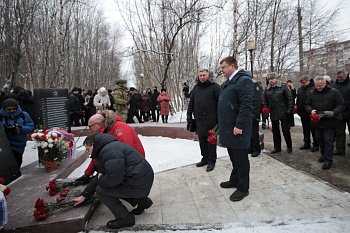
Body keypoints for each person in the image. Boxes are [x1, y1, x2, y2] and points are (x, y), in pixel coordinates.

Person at [73, 133, 154, 229]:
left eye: (88, 149)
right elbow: (100, 175)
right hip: (139, 180)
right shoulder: (107, 149)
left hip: (138, 182)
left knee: (102, 190)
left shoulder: (110, 151)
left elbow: (113, 179)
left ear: (94, 144)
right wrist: (84, 195)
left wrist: (101, 178)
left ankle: (125, 219)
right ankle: (143, 201)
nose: (88, 153)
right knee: (111, 186)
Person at [217, 56, 253, 202]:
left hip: (237, 129)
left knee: (241, 159)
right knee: (234, 157)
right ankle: (235, 180)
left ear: (232, 66)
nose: (222, 71)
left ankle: (243, 188)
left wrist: (239, 125)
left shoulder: (243, 80)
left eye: (223, 67)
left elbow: (246, 105)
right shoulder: (229, 82)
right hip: (228, 128)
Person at [76, 110, 145, 184]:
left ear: (98, 124)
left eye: (90, 127)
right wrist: (88, 173)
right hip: (121, 164)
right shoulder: (103, 131)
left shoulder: (120, 128)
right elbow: (97, 155)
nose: (90, 130)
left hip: (134, 169)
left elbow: (126, 154)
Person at [305, 76, 344, 169]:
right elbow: (307, 104)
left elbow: (341, 104)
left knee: (328, 141)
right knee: (320, 140)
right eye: (316, 85)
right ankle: (323, 155)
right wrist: (311, 110)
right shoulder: (311, 93)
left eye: (320, 85)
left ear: (325, 83)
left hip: (330, 121)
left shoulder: (334, 92)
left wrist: (334, 112)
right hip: (317, 121)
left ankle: (328, 160)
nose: (318, 87)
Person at [187, 69, 220, 172]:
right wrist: (189, 115)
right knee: (202, 141)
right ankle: (204, 159)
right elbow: (191, 102)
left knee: (211, 142)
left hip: (212, 120)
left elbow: (220, 103)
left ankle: (211, 161)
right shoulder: (196, 88)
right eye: (200, 75)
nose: (202, 77)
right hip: (199, 120)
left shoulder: (215, 87)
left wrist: (219, 119)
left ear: (208, 75)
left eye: (204, 75)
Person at [264, 72, 294, 154]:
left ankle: (289, 146)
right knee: (275, 132)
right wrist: (266, 111)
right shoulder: (267, 89)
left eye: (272, 79)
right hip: (273, 113)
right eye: (269, 79)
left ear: (276, 78)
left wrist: (289, 110)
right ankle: (277, 147)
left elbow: (290, 99)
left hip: (283, 112)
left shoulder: (283, 86)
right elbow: (265, 102)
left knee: (285, 130)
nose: (270, 81)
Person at [0, 98, 35, 168]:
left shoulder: (24, 114)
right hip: (5, 144)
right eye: (9, 109)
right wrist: (5, 129)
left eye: (14, 109)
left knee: (17, 163)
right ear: (4, 109)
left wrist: (19, 129)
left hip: (19, 144)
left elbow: (31, 126)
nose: (12, 111)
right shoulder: (1, 116)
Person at [296, 76, 319, 152]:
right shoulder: (300, 89)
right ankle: (306, 143)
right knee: (305, 129)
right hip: (302, 112)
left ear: (308, 81)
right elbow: (298, 100)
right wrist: (297, 108)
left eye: (304, 82)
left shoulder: (313, 88)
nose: (302, 84)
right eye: (301, 83)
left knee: (313, 129)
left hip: (311, 112)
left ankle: (316, 144)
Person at [331, 70, 350, 156]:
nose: (339, 79)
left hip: (349, 111)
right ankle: (340, 149)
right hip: (339, 112)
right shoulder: (334, 85)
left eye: (341, 77)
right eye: (338, 77)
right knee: (339, 132)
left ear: (346, 76)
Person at [250, 79, 263, 157]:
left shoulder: (255, 85)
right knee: (248, 132)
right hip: (247, 113)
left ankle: (256, 149)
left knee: (254, 133)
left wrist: (255, 114)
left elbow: (257, 101)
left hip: (254, 114)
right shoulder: (246, 85)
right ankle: (250, 147)